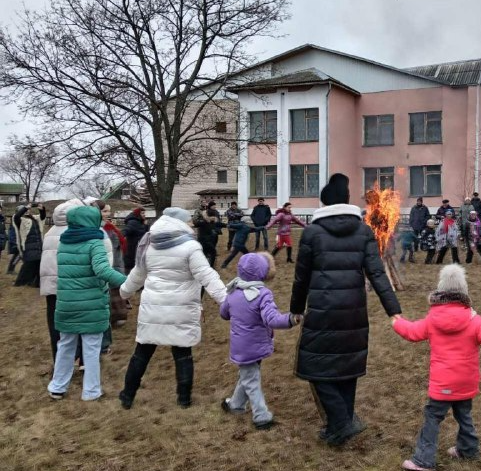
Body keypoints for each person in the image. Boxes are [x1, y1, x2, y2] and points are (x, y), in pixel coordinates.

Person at [290, 173, 401, 446]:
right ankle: (340, 427)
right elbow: (377, 274)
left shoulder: (312, 233)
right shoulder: (363, 231)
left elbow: (301, 277)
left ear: (324, 203)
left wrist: (295, 309)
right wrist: (393, 310)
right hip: (353, 311)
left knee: (313, 368)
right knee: (347, 366)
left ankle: (340, 421)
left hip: (323, 310)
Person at [392, 264, 481, 471]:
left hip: (442, 385)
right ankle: (468, 450)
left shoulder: (432, 318)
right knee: (464, 415)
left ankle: (423, 460)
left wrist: (397, 323)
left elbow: (413, 332)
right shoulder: (474, 320)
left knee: (432, 418)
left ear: (440, 290)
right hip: (466, 381)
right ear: (464, 291)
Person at [118, 207, 227, 409]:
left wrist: (124, 292)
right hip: (181, 309)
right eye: (187, 221)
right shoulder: (190, 247)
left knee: (141, 353)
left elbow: (137, 275)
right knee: (183, 354)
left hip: (153, 309)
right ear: (179, 223)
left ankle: (127, 395)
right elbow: (207, 275)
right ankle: (184, 399)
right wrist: (226, 300)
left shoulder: (149, 245)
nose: (190, 225)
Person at [47, 206, 127, 401]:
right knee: (91, 348)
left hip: (66, 303)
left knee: (65, 344)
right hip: (91, 304)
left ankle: (57, 387)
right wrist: (128, 281)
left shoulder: (64, 242)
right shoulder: (95, 242)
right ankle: (91, 391)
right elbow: (102, 270)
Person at [220, 252, 302, 430]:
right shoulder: (263, 294)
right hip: (254, 346)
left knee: (248, 374)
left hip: (242, 346)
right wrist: (291, 319)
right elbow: (272, 319)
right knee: (251, 378)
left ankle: (236, 404)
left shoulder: (233, 292)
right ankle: (261, 416)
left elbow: (223, 313)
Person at [40, 198, 112, 362]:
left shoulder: (51, 231)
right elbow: (104, 262)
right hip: (83, 286)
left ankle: (60, 364)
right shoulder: (90, 231)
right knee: (86, 326)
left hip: (54, 287)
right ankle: (86, 362)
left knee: (58, 327)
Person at [95, 200, 128, 331]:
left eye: (109, 211)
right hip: (110, 263)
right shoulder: (103, 229)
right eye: (104, 211)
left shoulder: (109, 227)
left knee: (115, 291)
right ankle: (112, 317)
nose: (108, 214)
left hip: (117, 262)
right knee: (110, 291)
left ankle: (117, 316)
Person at [13, 202, 46, 287]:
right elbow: (17, 216)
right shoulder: (20, 220)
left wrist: (42, 209)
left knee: (39, 265)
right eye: (26, 210)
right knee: (28, 265)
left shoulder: (35, 218)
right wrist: (25, 207)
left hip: (38, 245)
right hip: (28, 246)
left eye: (29, 210)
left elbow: (42, 217)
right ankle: (20, 283)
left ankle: (36, 283)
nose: (28, 211)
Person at [193, 201, 220, 268]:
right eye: (203, 202)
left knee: (211, 250)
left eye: (206, 202)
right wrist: (205, 220)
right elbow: (195, 221)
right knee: (207, 250)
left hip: (210, 233)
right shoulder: (198, 211)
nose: (205, 203)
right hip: (203, 234)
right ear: (201, 203)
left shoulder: (208, 210)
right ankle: (206, 266)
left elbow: (216, 220)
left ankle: (208, 265)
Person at [122, 208, 148, 274]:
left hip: (139, 249)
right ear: (138, 214)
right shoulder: (133, 222)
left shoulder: (140, 222)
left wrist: (145, 225)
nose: (144, 215)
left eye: (144, 213)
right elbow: (125, 231)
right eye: (142, 213)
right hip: (133, 250)